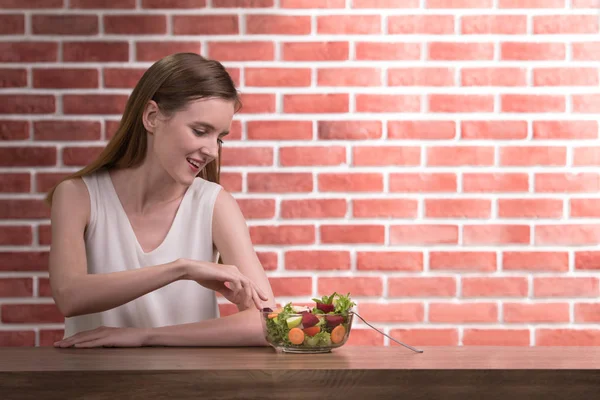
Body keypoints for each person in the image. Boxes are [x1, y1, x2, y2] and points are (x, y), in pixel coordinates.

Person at [47, 53, 277, 348]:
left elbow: (267, 320)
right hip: (92, 389)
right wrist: (180, 269)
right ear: (152, 117)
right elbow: (69, 295)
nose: (211, 151)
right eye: (200, 131)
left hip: (188, 388)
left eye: (219, 138)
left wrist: (146, 336)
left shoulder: (214, 204)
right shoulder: (78, 195)